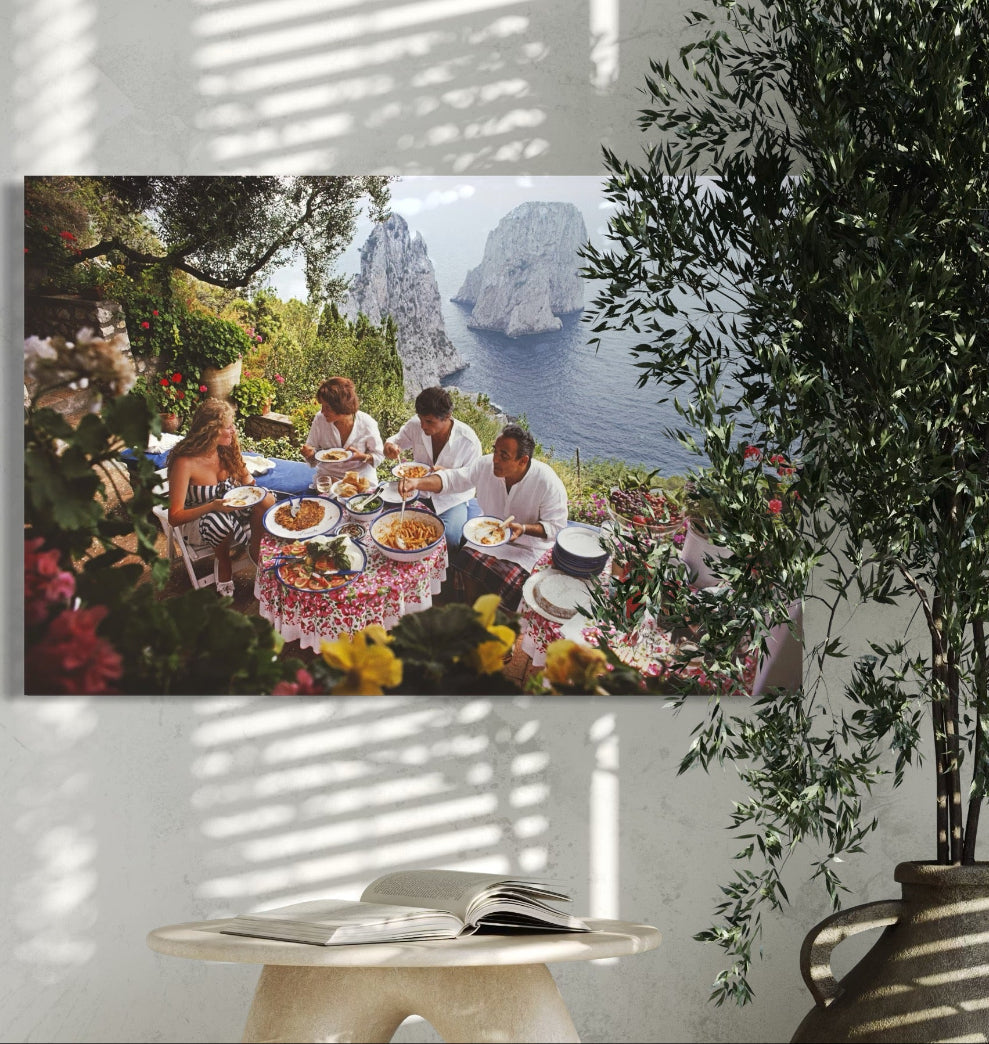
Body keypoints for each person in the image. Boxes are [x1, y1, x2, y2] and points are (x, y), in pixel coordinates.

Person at [399, 423, 568, 612]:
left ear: (523, 461)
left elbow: (556, 527)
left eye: (504, 456)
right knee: (463, 561)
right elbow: (453, 479)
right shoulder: (485, 465)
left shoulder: (547, 482)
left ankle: (501, 618)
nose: (495, 459)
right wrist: (416, 482)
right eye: (496, 451)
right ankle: (472, 610)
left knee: (512, 582)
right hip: (486, 536)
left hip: (527, 549)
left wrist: (524, 529)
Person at [166, 399, 275, 597]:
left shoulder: (225, 449)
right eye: (229, 426)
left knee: (267, 499)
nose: (233, 430)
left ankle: (255, 549)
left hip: (228, 509)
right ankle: (224, 566)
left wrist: (253, 490)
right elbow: (174, 517)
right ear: (211, 430)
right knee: (219, 520)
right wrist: (212, 506)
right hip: (197, 520)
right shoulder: (185, 463)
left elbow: (248, 482)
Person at [383, 386, 482, 546]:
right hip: (418, 492)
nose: (423, 426)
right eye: (421, 419)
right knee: (389, 520)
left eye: (429, 421)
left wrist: (448, 474)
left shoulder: (468, 440)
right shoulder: (416, 425)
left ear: (447, 416)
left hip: (451, 499)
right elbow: (396, 440)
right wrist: (389, 447)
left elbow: (473, 478)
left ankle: (443, 569)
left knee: (449, 537)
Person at [301, 377, 384, 490]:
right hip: (329, 477)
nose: (322, 411)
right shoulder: (320, 420)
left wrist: (362, 457)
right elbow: (313, 452)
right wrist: (309, 454)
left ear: (341, 406)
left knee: (357, 503)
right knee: (329, 501)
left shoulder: (367, 423)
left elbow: (379, 456)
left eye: (327, 407)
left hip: (359, 479)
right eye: (322, 406)